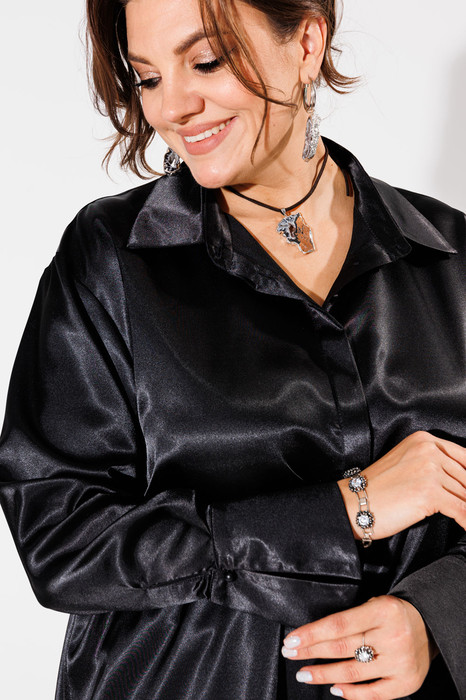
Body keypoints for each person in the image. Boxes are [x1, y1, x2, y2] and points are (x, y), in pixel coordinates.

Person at [0, 0, 464, 698]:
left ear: (306, 43)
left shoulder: (451, 260)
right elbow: (61, 539)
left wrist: (437, 617)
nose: (172, 107)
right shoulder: (110, 262)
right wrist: (348, 508)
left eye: (207, 60)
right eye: (148, 77)